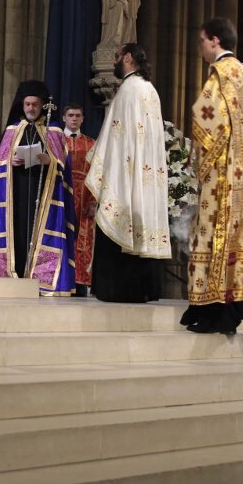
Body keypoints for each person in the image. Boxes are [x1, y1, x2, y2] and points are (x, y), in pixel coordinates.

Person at [182, 18, 243, 334]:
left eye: (201, 41)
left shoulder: (219, 75)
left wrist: (196, 163)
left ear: (214, 41)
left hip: (223, 173)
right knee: (233, 242)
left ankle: (216, 312)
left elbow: (207, 125)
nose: (199, 48)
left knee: (214, 237)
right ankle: (223, 307)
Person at [84, 43, 169, 302]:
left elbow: (116, 139)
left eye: (118, 57)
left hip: (127, 172)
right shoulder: (150, 91)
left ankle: (115, 288)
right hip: (146, 177)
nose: (115, 62)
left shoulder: (128, 90)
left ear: (128, 58)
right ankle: (142, 289)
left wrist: (101, 163)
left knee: (118, 219)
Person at [0, 80, 77, 296]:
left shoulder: (54, 131)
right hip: (17, 195)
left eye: (35, 104)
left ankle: (39, 277)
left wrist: (48, 160)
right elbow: (0, 164)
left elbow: (62, 167)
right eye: (27, 104)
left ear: (42, 105)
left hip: (43, 196)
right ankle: (11, 274)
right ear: (22, 106)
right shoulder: (12, 130)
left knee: (37, 230)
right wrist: (10, 163)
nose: (31, 108)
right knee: (18, 231)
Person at [63, 103, 96, 296]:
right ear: (64, 118)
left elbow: (98, 174)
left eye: (78, 115)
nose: (74, 119)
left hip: (84, 195)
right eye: (71, 115)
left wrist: (93, 201)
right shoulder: (56, 141)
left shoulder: (92, 144)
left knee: (83, 240)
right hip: (63, 193)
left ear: (82, 119)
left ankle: (81, 281)